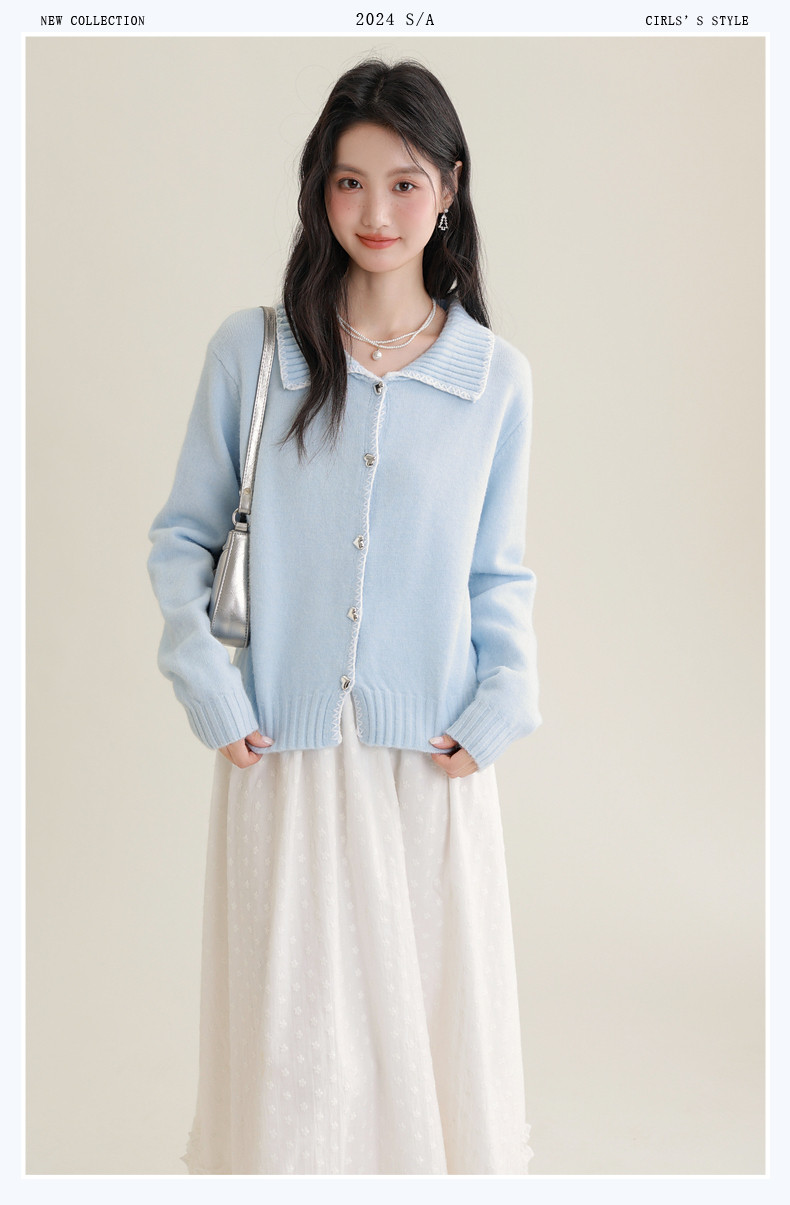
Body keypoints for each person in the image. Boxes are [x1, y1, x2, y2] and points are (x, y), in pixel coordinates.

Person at [147, 57, 542, 1176]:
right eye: (348, 181)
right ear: (318, 190)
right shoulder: (256, 352)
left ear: (449, 189)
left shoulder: (494, 378)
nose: (375, 212)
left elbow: (499, 571)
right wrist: (210, 686)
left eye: (405, 183)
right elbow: (181, 540)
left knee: (431, 1049)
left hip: (433, 765)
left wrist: (505, 701)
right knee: (297, 1059)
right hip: (283, 755)